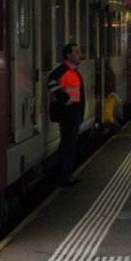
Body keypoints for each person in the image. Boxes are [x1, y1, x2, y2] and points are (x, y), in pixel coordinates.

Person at [48, 43, 86, 187]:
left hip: (74, 113)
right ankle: (64, 177)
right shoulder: (63, 70)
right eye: (76, 52)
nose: (79, 55)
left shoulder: (73, 71)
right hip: (68, 113)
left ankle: (67, 174)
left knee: (69, 145)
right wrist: (65, 99)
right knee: (68, 146)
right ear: (68, 55)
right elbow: (51, 83)